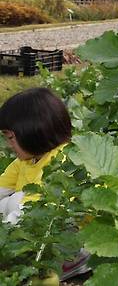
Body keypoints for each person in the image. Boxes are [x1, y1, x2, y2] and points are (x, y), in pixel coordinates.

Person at [0, 88, 71, 224]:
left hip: (71, 233)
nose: (9, 145)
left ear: (33, 133)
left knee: (16, 200)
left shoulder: (63, 163)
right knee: (5, 203)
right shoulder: (26, 160)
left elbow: (28, 214)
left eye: (10, 137)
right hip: (39, 220)